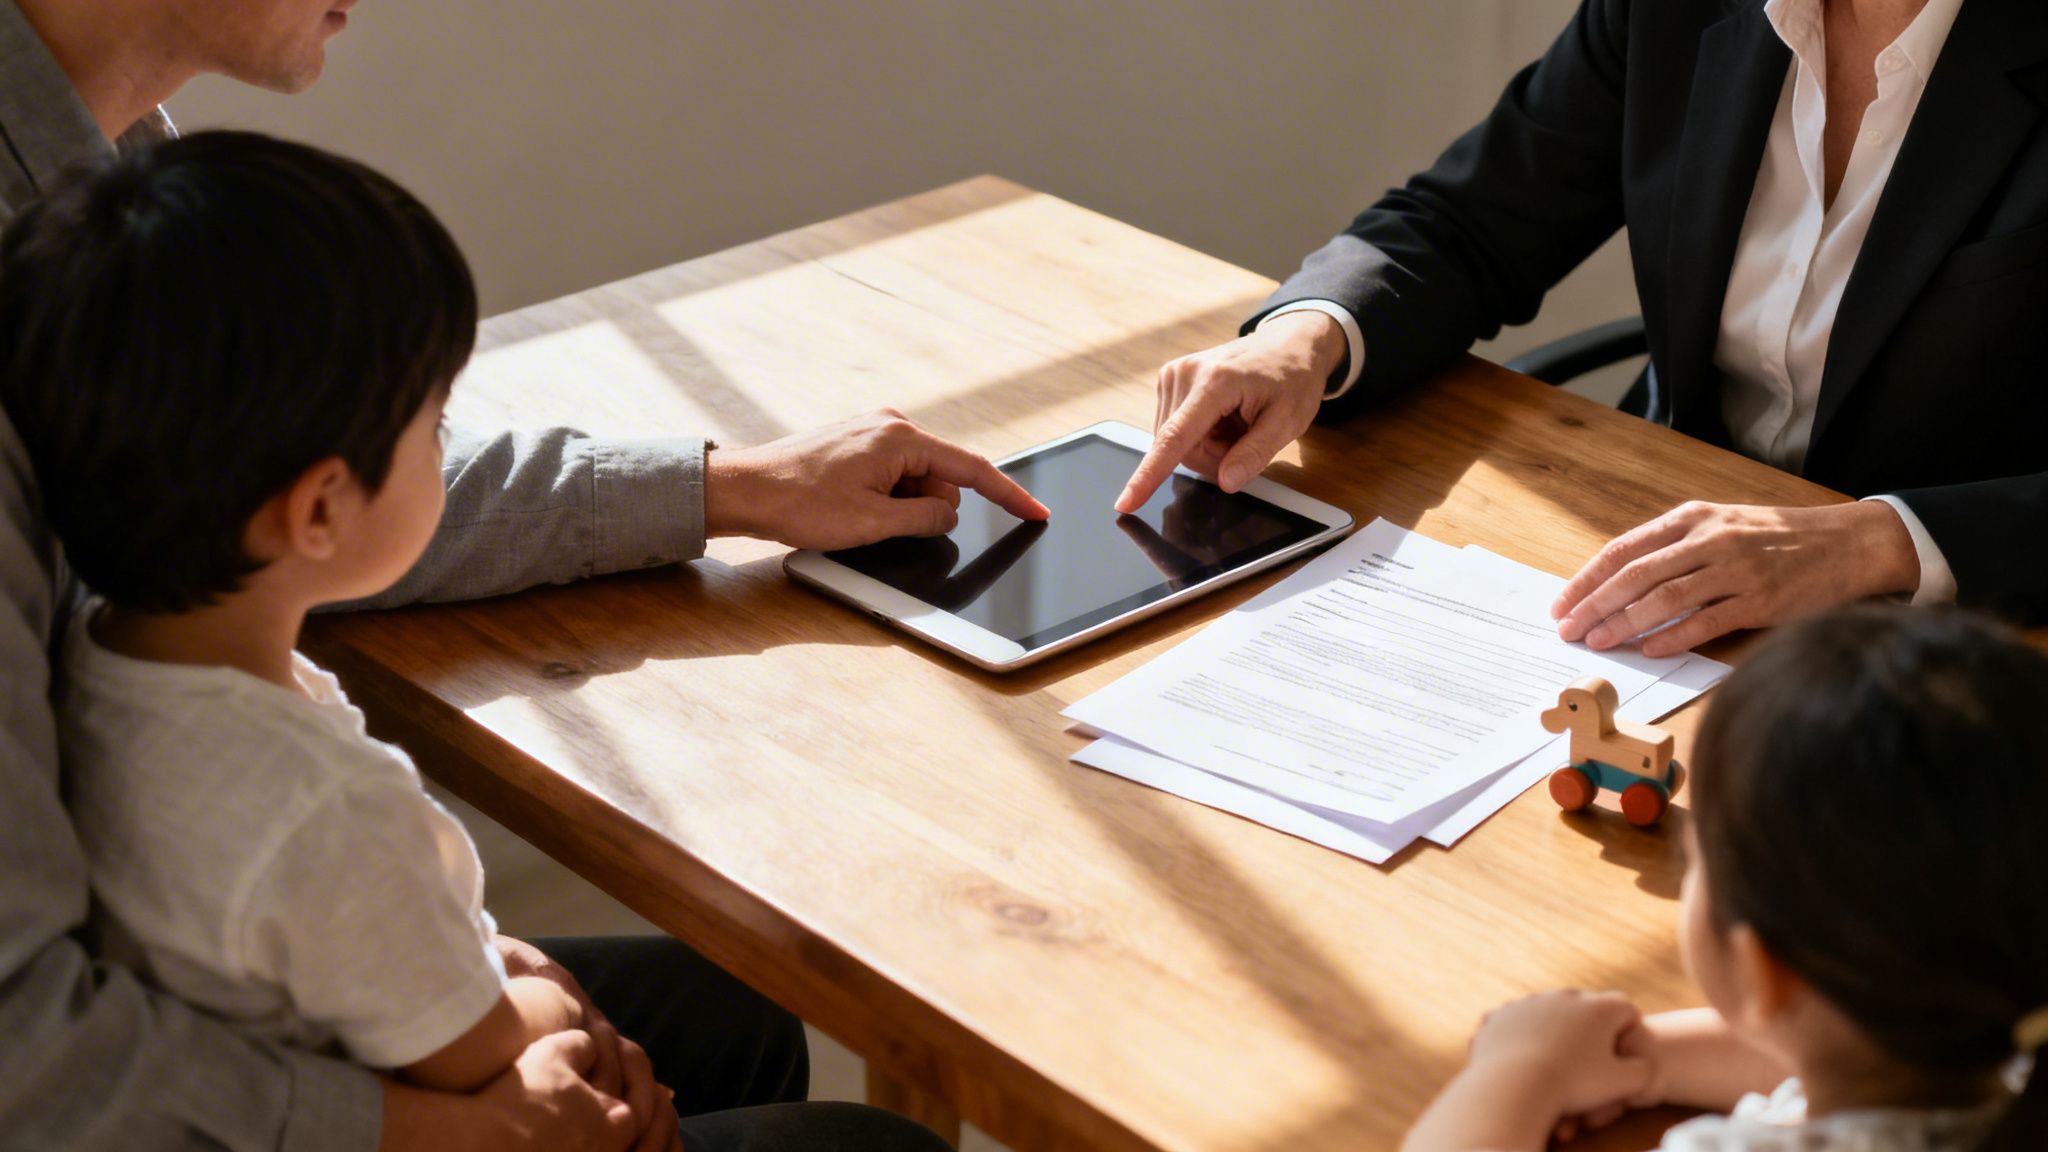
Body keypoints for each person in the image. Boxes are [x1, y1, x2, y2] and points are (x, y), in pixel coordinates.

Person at [0, 0, 1008, 1148]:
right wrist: (449, 1117)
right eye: (433, 423)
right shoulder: (313, 799)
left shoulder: (118, 194)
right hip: (119, 1067)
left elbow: (284, 490)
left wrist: (726, 485)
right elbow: (23, 1045)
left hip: (217, 953)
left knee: (729, 1009)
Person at [0, 127, 710, 1143]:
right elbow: (468, 1049)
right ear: (320, 511)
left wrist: (484, 955)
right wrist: (549, 1005)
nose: (440, 446)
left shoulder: (100, 660)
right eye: (432, 426)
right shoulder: (320, 807)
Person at [1122, 0, 2048, 655]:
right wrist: (1309, 334)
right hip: (1663, 564)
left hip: (1964, 636)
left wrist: (1875, 542)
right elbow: (1474, 218)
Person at [1401, 602, 2048, 1151]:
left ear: (1763, 972)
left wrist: (1519, 1071)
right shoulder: (2003, 1041)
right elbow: (1839, 1039)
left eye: (1696, 861)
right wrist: (1647, 1059)